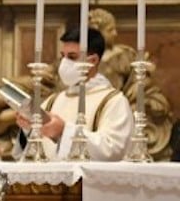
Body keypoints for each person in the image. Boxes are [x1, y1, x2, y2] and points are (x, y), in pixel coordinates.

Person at [14, 26, 133, 161]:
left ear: (92, 61)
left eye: (72, 57)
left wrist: (63, 131)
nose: (64, 63)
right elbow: (35, 152)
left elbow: (113, 149)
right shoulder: (54, 100)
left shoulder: (113, 101)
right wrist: (28, 129)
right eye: (62, 56)